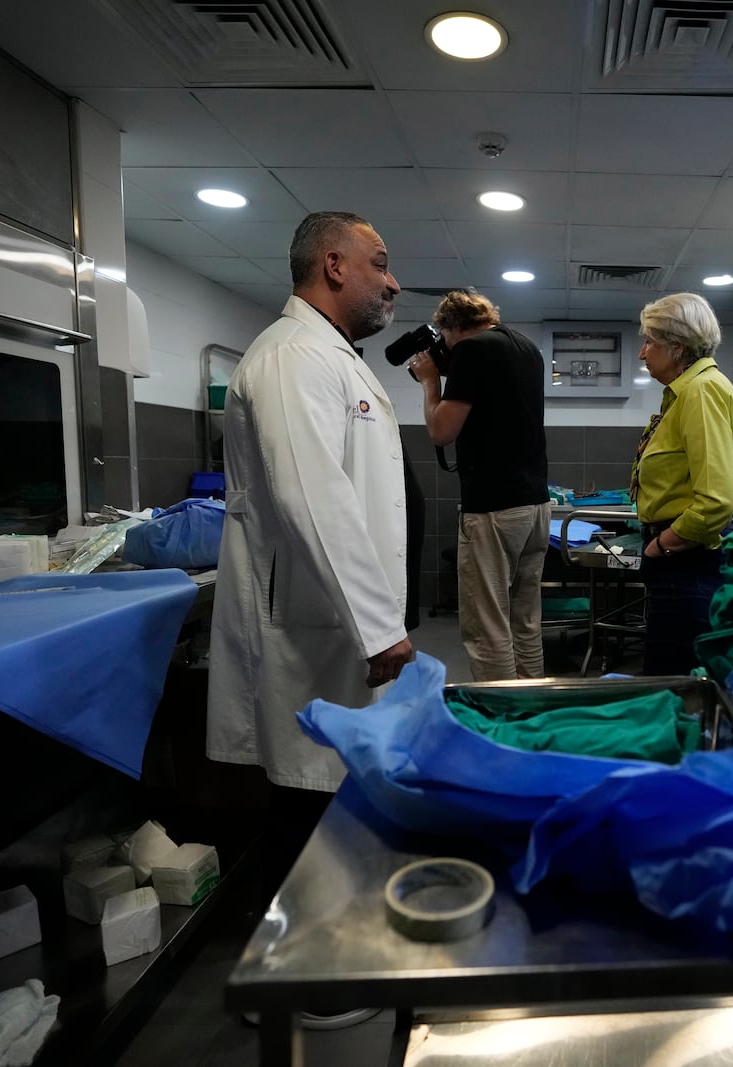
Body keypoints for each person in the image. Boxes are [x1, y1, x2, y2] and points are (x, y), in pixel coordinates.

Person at [206, 210, 415, 928]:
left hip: (332, 624)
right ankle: (305, 979)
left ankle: (318, 954)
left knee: (326, 787)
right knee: (308, 791)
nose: (393, 283)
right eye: (379, 263)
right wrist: (380, 627)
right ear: (333, 264)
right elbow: (312, 498)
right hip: (313, 626)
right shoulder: (292, 356)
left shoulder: (329, 357)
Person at [408, 289, 550, 680]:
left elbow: (441, 431)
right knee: (525, 621)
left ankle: (499, 718)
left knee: (488, 627)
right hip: (536, 506)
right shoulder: (526, 349)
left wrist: (430, 382)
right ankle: (531, 709)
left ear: (453, 328)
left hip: (494, 508)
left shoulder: (473, 351)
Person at [629, 292, 733, 675]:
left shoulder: (701, 391)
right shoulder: (683, 393)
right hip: (680, 559)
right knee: (671, 675)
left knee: (674, 684)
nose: (643, 354)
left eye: (649, 342)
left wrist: (660, 547)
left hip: (688, 561)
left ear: (676, 348)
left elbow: (715, 501)